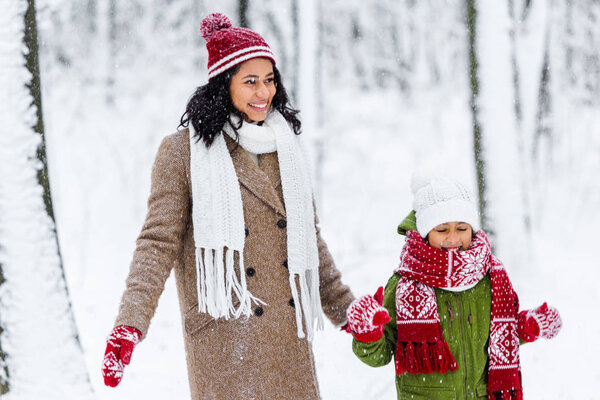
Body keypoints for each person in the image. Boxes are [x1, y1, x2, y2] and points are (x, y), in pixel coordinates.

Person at [101, 13, 354, 399]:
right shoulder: (183, 153)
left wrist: (349, 313)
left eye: (269, 80)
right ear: (224, 85)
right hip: (226, 338)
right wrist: (130, 324)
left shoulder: (285, 149)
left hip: (287, 340)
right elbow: (157, 243)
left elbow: (309, 242)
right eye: (250, 82)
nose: (263, 93)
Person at [344, 173, 562, 400]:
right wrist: (367, 333)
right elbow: (382, 355)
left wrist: (529, 326)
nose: (453, 238)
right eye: (441, 229)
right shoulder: (404, 284)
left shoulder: (489, 277)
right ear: (425, 233)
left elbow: (500, 336)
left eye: (461, 228)